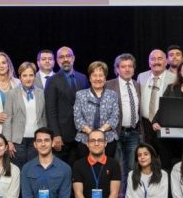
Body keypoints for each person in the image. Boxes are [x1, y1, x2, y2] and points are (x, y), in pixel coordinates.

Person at [44, 47, 86, 162]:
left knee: (80, 170)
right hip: (62, 136)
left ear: (73, 58)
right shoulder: (52, 80)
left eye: (68, 56)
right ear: (57, 61)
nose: (65, 59)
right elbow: (50, 110)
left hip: (82, 134)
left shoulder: (82, 78)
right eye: (61, 57)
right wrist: (56, 134)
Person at [72, 61, 120, 159]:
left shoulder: (113, 95)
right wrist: (91, 133)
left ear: (105, 78)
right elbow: (78, 118)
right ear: (90, 78)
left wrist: (100, 132)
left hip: (108, 140)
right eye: (94, 75)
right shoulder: (80, 95)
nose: (98, 78)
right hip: (85, 140)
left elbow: (114, 117)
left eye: (101, 75)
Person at [3, 62, 46, 168]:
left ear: (35, 76)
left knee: (33, 169)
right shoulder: (12, 94)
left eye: (31, 75)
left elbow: (44, 117)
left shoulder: (41, 93)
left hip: (36, 140)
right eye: (24, 75)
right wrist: (8, 141)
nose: (28, 78)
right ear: (20, 77)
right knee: (19, 170)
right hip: (17, 140)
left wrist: (45, 137)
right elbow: (7, 119)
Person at [138, 49, 175, 152]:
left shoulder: (174, 78)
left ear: (166, 62)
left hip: (164, 123)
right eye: (153, 59)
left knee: (164, 155)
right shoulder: (141, 76)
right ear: (149, 62)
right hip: (145, 124)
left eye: (160, 59)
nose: (156, 62)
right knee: (146, 154)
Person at [112, 53, 142, 181]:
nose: (127, 69)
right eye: (123, 66)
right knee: (116, 168)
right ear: (117, 69)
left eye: (130, 66)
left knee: (132, 168)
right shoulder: (109, 85)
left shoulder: (137, 85)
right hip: (115, 132)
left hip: (133, 132)